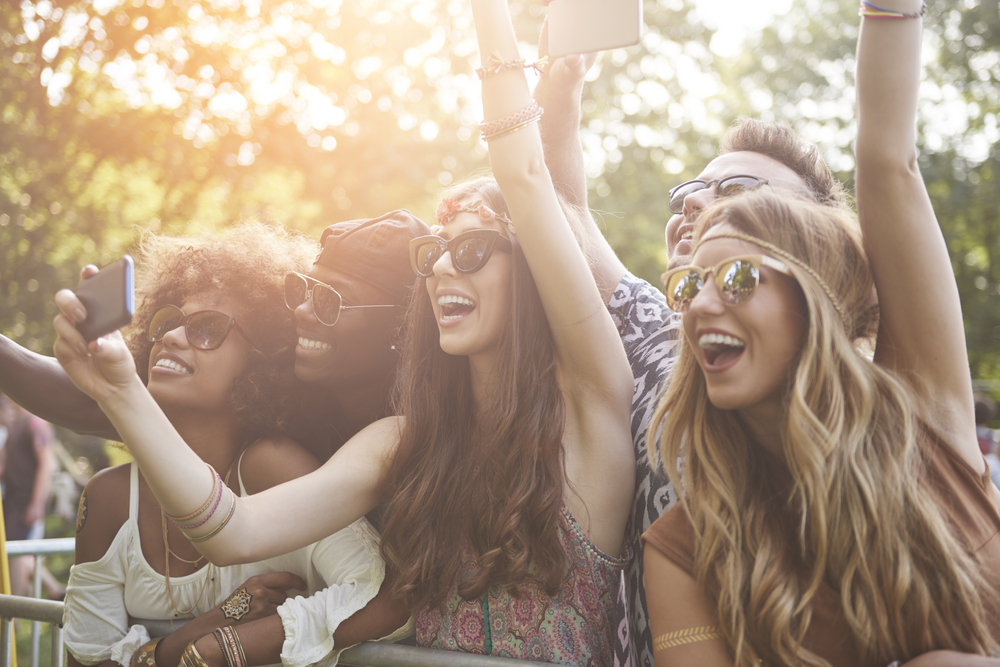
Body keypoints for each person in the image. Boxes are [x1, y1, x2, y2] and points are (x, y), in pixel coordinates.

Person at [51, 2, 635, 664]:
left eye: (471, 250)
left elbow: (526, 177)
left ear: (533, 270)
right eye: (434, 253)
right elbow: (235, 531)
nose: (443, 265)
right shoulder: (408, 438)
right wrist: (121, 389)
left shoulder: (590, 406)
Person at [642, 3, 1000, 664]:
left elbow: (887, 157)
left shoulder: (922, 410)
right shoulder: (683, 548)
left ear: (815, 299)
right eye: (690, 286)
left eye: (741, 276)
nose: (701, 303)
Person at [59, 223, 406, 667]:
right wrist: (202, 633)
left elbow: (384, 594)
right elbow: (82, 662)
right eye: (167, 323)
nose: (171, 337)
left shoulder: (269, 466)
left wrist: (233, 645)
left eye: (206, 330)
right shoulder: (107, 498)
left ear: (260, 360)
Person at [0, 393, 64, 599]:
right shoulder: (15, 427)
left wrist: (36, 503)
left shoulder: (36, 423)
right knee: (16, 555)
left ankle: (14, 620)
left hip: (25, 502)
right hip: (11, 502)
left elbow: (46, 463)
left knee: (18, 555)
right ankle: (55, 592)